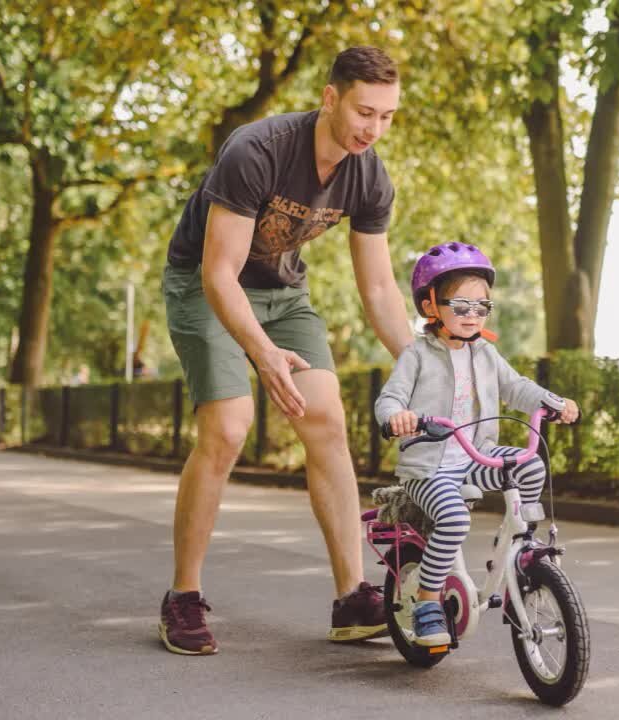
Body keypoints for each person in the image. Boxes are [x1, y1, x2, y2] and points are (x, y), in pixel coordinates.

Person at [158, 46, 413, 656]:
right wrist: (263, 354)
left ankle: (353, 597)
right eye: (363, 112)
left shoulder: (369, 176)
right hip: (205, 285)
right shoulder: (258, 149)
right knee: (227, 427)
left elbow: (378, 289)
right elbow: (220, 274)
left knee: (326, 419)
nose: (372, 129)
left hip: (282, 295)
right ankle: (183, 598)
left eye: (386, 117)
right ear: (330, 98)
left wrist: (421, 358)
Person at [375, 242, 579, 646]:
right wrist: (397, 417)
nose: (472, 315)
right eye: (461, 305)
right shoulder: (417, 355)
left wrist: (551, 402)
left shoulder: (486, 353)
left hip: (474, 456)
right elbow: (389, 399)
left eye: (481, 306)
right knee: (452, 520)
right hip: (430, 465)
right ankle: (429, 601)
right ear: (431, 306)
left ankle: (519, 542)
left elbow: (516, 388)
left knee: (529, 463)